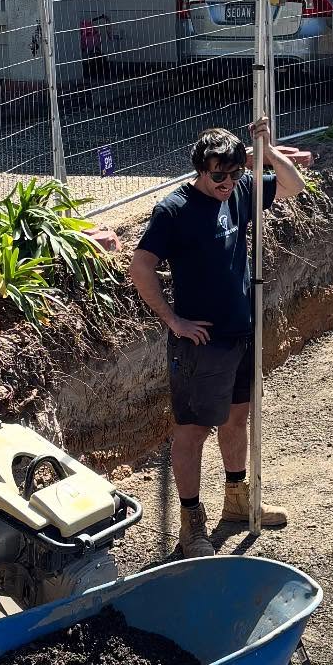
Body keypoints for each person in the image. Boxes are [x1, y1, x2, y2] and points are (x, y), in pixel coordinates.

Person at [129, 118, 306, 557]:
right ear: (199, 171)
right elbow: (140, 266)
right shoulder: (175, 211)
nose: (226, 182)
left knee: (236, 419)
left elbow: (293, 185)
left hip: (240, 331)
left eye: (233, 172)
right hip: (200, 344)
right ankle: (191, 524)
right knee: (191, 432)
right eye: (217, 175)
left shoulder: (242, 189)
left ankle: (236, 500)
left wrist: (263, 149)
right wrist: (174, 321)